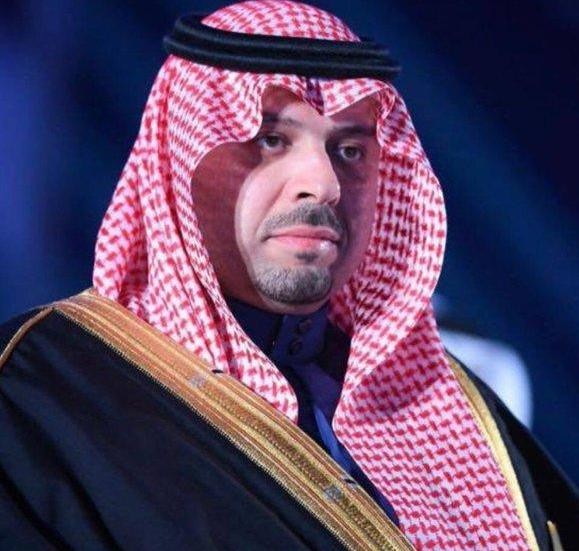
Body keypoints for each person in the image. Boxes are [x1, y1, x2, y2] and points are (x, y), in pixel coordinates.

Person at [0, 1, 576, 550]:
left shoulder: (449, 402)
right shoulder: (37, 393)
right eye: (270, 141)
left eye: (350, 151)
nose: (321, 185)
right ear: (178, 157)